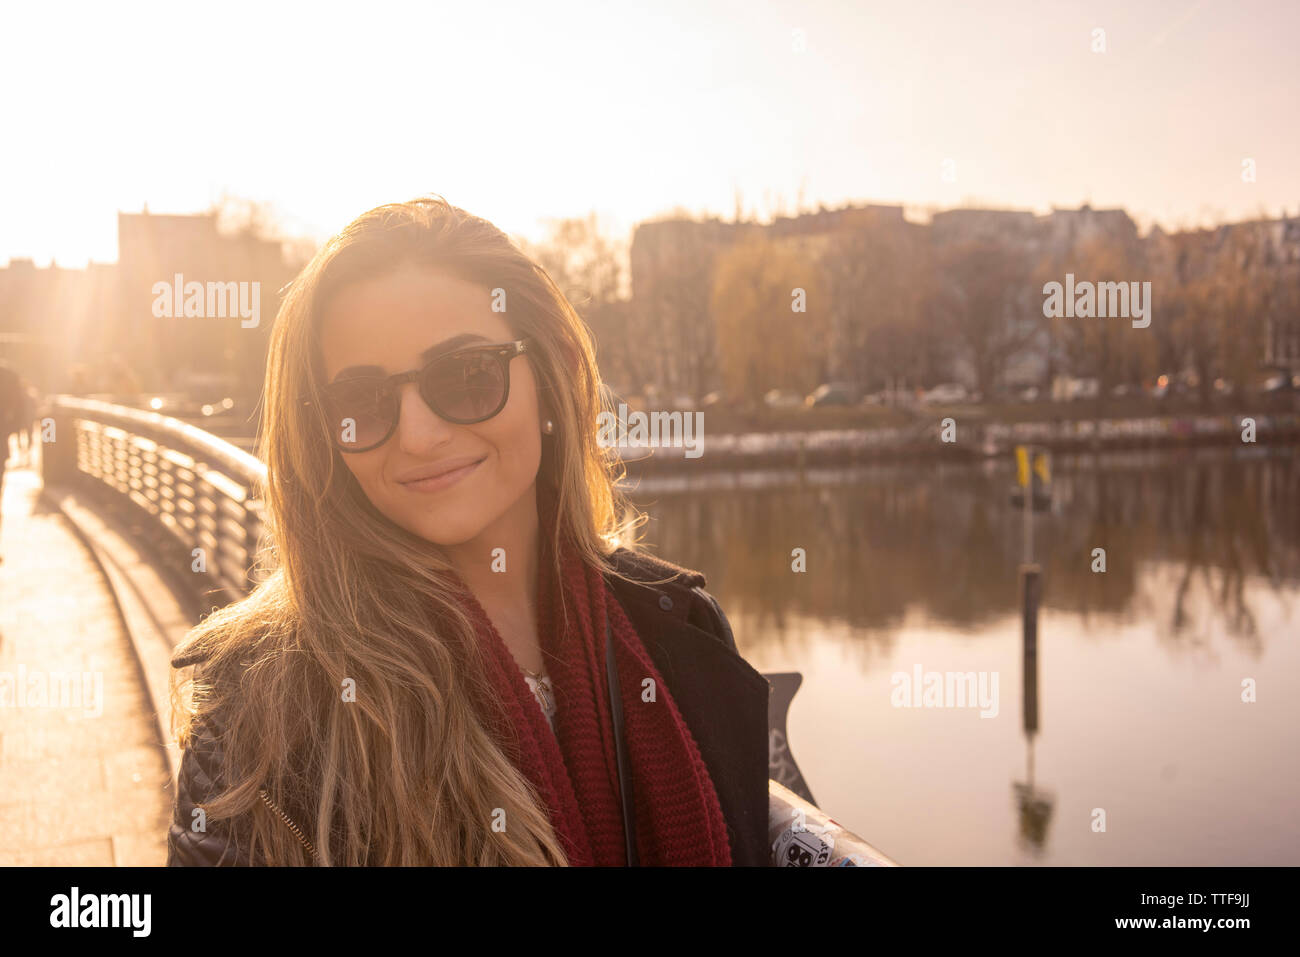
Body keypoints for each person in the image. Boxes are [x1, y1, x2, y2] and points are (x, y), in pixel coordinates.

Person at [166, 197, 770, 866]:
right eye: (361, 401)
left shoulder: (680, 628)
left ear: (557, 371)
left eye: (465, 375)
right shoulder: (260, 710)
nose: (419, 436)